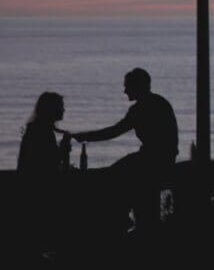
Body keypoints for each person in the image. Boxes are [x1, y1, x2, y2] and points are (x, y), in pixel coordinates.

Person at [73, 68, 178, 234]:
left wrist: (85, 136)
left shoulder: (142, 108)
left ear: (138, 86)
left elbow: (114, 131)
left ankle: (122, 220)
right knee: (120, 175)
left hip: (153, 160)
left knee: (113, 176)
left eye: (127, 86)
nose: (125, 91)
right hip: (160, 158)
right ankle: (129, 219)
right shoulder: (158, 103)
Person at [17, 92, 72, 261]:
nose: (64, 109)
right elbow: (47, 161)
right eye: (61, 106)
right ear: (52, 109)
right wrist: (64, 149)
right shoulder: (42, 131)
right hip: (39, 188)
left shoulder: (38, 128)